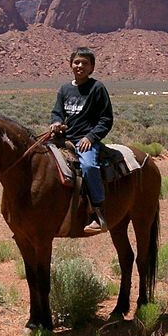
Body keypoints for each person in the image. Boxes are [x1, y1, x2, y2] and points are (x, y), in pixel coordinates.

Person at [50, 47, 113, 234]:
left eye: (85, 63)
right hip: (65, 139)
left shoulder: (97, 88)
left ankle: (98, 213)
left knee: (88, 167)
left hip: (85, 141)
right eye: (77, 62)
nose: (80, 66)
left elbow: (106, 119)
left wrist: (91, 137)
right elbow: (57, 112)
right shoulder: (65, 89)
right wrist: (56, 123)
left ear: (92, 68)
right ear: (71, 65)